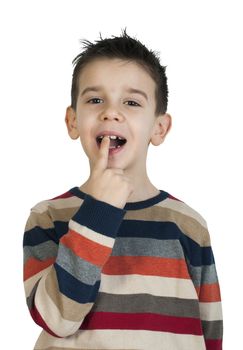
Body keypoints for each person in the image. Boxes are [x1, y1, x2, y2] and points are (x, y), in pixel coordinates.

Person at [23, 29, 223, 350]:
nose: (110, 112)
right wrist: (98, 214)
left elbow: (210, 332)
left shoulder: (188, 225)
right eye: (95, 99)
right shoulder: (48, 217)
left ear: (159, 128)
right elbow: (57, 320)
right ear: (73, 122)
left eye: (131, 102)